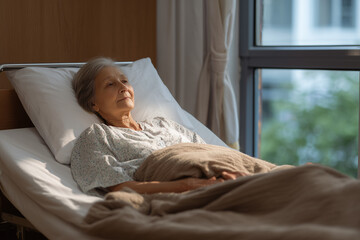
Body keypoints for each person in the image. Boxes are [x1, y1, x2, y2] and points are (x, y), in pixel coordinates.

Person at [71, 57, 245, 196]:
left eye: (124, 80)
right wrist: (187, 186)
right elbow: (121, 189)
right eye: (110, 84)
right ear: (93, 103)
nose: (123, 87)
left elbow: (207, 154)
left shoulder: (163, 124)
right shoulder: (97, 136)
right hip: (186, 192)